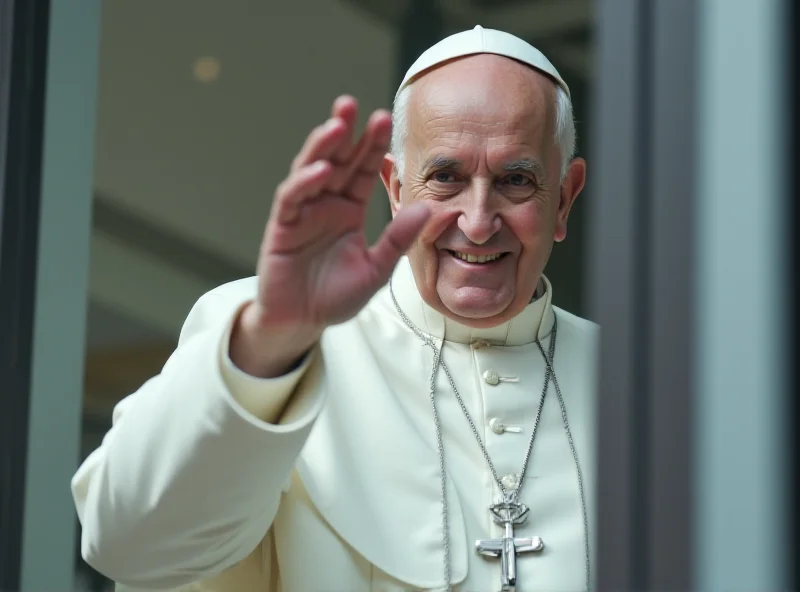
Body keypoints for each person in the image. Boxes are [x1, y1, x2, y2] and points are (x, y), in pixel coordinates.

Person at [72, 26, 596, 592]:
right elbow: (128, 545)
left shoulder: (649, 386)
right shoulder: (261, 336)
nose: (477, 220)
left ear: (564, 198)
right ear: (396, 189)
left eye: (516, 181)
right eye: (445, 178)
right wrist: (271, 343)